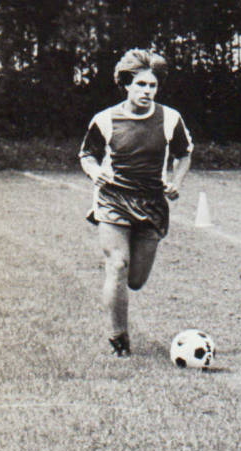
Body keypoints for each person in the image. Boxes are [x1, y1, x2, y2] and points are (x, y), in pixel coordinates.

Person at [79, 48, 193, 357]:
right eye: (140, 85)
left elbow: (184, 154)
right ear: (126, 85)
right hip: (113, 199)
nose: (146, 91)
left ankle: (118, 302)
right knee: (117, 264)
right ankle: (119, 338)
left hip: (152, 204)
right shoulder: (105, 120)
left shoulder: (170, 119)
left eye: (152, 86)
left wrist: (175, 182)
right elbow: (87, 154)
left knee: (136, 280)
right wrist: (95, 172)